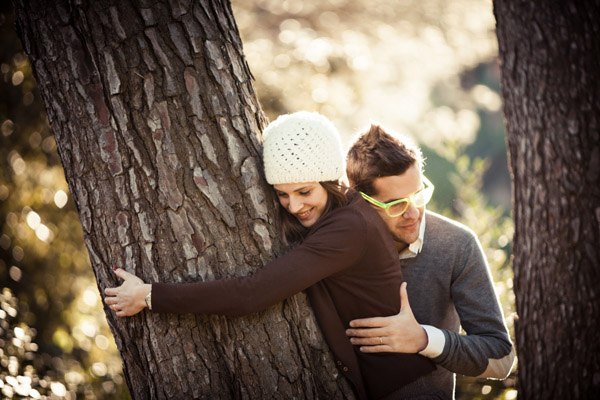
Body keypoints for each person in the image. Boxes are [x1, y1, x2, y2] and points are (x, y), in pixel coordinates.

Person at [104, 111, 435, 400]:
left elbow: (253, 292)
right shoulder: (341, 216)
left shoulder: (348, 228)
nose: (294, 206)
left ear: (330, 181)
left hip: (406, 389)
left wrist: (150, 295)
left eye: (304, 191)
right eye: (282, 195)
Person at [344, 124, 515, 399]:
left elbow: (501, 359)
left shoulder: (457, 245)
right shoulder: (334, 242)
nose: (413, 212)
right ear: (361, 202)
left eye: (418, 194)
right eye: (396, 204)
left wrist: (423, 339)